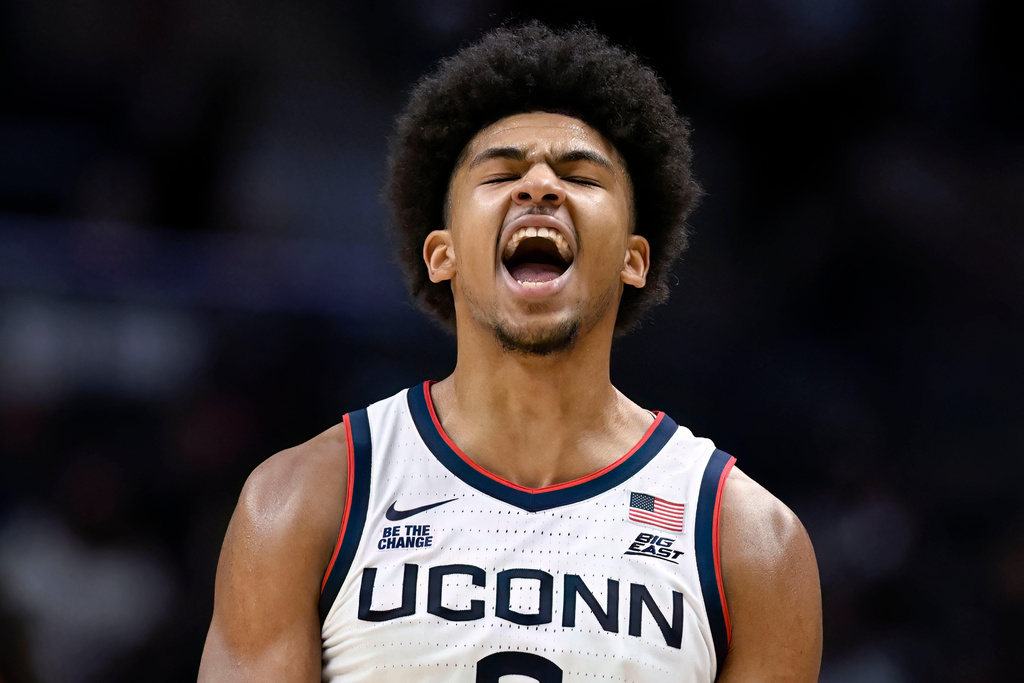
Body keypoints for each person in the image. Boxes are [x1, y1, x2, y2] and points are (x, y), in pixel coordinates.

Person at [198, 21, 821, 682]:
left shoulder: (748, 541)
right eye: (500, 173)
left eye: (581, 176)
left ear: (636, 259)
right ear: (442, 255)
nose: (540, 188)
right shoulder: (303, 499)